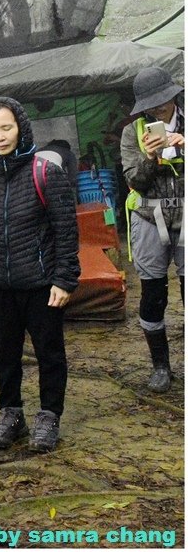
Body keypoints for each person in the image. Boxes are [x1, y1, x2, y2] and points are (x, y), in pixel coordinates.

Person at [0, 96, 80, 454]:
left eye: (6, 127)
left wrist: (65, 279)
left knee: (49, 354)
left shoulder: (46, 173)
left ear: (21, 128)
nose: (0, 136)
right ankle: (12, 414)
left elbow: (66, 231)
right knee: (4, 354)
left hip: (41, 285)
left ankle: (49, 416)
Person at [119, 67, 184, 393]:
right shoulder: (133, 133)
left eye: (161, 102)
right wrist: (150, 157)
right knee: (153, 293)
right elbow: (134, 181)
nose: (157, 109)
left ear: (173, 94)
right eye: (150, 105)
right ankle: (160, 366)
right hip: (149, 216)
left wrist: (182, 147)